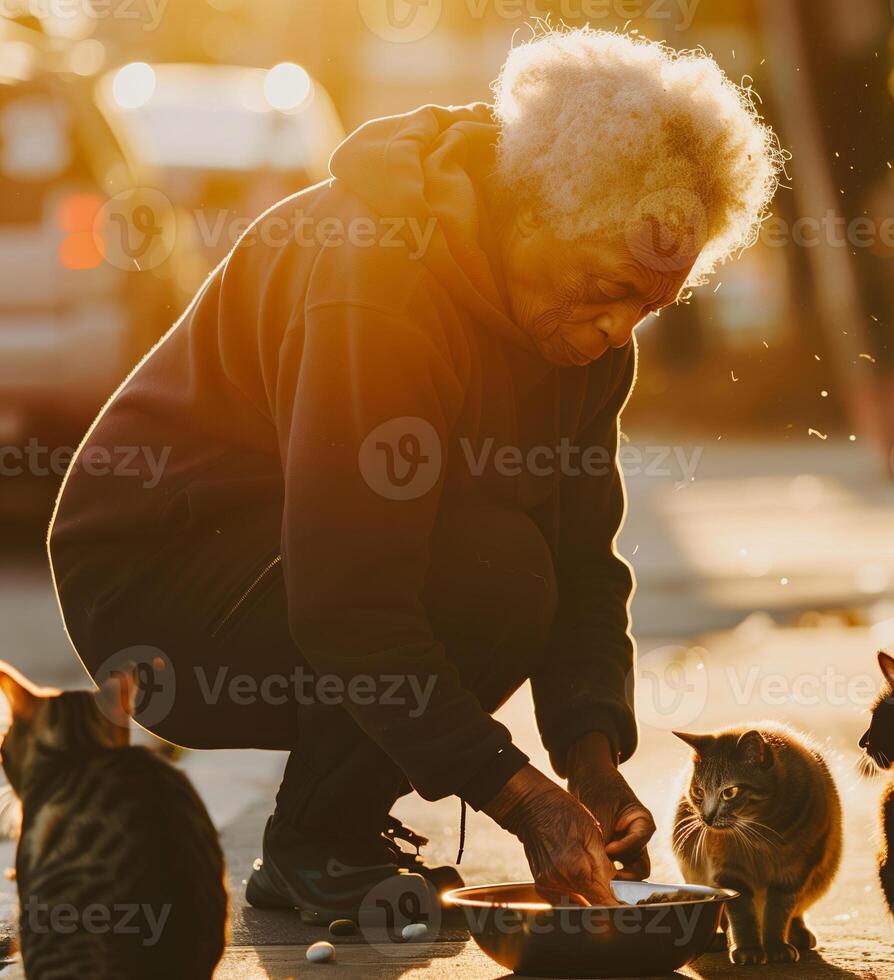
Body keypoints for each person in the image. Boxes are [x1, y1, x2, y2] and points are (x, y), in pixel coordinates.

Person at [46, 26, 780, 921]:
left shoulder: (588, 341)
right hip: (157, 585)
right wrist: (517, 795)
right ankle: (319, 839)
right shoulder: (377, 286)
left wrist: (590, 759)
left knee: (520, 567)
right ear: (534, 214)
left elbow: (584, 559)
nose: (620, 330)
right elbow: (349, 598)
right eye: (607, 289)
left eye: (651, 306)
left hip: (311, 561)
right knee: (493, 572)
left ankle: (332, 826)